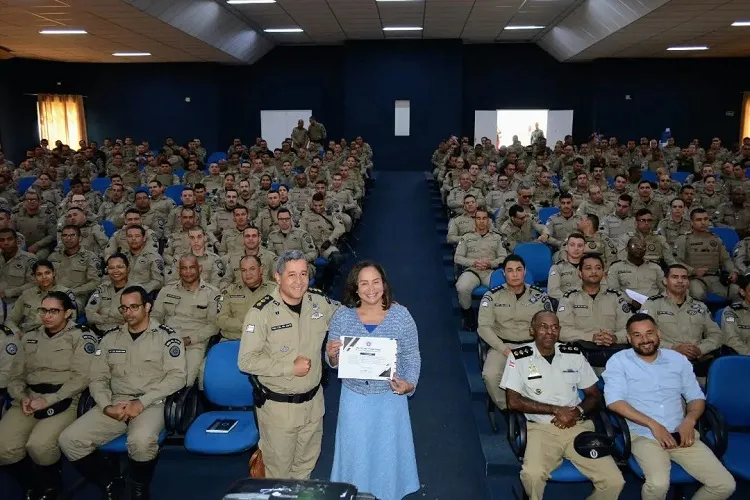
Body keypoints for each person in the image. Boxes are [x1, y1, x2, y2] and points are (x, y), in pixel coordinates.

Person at [59, 286, 187, 500]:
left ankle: (138, 486)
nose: (128, 312)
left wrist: (141, 402)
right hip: (115, 402)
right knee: (69, 440)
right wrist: (106, 406)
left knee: (141, 442)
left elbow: (177, 377)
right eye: (124, 308)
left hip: (151, 403)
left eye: (134, 307)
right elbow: (98, 378)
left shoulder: (167, 337)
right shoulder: (110, 339)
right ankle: (109, 481)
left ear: (147, 307)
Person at [603, 313, 736, 500]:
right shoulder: (619, 361)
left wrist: (689, 421)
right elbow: (614, 402)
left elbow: (696, 397)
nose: (645, 340)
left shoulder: (678, 360)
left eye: (649, 333)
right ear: (628, 338)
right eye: (637, 335)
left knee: (724, 484)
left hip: (682, 432)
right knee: (658, 484)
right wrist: (654, 425)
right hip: (644, 434)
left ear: (658, 334)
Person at [500, 311, 624, 500]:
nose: (550, 332)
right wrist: (556, 410)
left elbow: (594, 395)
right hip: (541, 429)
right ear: (532, 330)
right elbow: (513, 401)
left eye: (555, 327)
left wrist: (577, 411)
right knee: (532, 475)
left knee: (614, 481)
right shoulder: (519, 357)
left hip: (577, 426)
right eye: (543, 326)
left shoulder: (572, 354)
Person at [238, 250, 338, 479]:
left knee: (305, 470)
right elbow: (246, 361)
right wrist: (289, 368)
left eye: (303, 273)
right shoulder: (260, 313)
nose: (299, 281)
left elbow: (346, 315)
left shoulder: (318, 302)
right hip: (278, 410)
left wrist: (379, 308)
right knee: (277, 477)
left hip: (313, 405)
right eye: (291, 275)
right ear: (277, 277)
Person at [326, 261, 420, 500]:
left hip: (389, 399)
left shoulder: (401, 315)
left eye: (376, 282)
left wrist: (409, 383)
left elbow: (411, 355)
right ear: (355, 288)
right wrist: (331, 355)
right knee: (354, 454)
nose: (371, 289)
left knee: (387, 456)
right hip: (354, 397)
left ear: (384, 285)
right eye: (364, 283)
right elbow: (333, 362)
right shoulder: (342, 316)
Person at [0, 292, 96, 499]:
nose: (47, 315)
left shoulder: (81, 336)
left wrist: (48, 400)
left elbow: (81, 378)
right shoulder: (30, 337)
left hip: (64, 398)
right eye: (43, 310)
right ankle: (32, 484)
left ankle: (51, 485)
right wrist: (22, 397)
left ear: (68, 313)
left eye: (54, 311)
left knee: (40, 445)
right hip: (29, 397)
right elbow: (15, 377)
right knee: (3, 446)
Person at [478, 255, 552, 409]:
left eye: (519, 270)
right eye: (510, 271)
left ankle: (535, 408)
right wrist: (504, 350)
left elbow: (549, 325)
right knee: (490, 375)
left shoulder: (540, 296)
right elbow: (484, 327)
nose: (515, 274)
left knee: (545, 376)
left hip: (533, 347)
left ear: (525, 271)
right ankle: (509, 410)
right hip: (503, 346)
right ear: (504, 274)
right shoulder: (491, 296)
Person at [152, 254, 220, 386]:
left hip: (194, 344)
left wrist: (190, 339)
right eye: (184, 268)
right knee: (152, 377)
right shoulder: (166, 291)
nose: (188, 272)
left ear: (199, 268)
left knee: (184, 381)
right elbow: (155, 316)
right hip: (165, 341)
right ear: (179, 270)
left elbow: (214, 325)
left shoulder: (212, 293)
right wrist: (158, 336)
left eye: (192, 268)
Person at [639, 265, 723, 366]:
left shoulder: (700, 306)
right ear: (665, 281)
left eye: (684, 277)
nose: (680, 281)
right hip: (662, 362)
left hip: (697, 363)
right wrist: (674, 348)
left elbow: (716, 335)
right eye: (675, 277)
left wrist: (700, 349)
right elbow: (643, 335)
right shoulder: (652, 304)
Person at [454, 208, 508, 330]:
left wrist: (490, 263)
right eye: (478, 218)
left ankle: (498, 318)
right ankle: (468, 314)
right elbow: (457, 258)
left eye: (484, 218)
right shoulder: (466, 237)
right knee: (462, 287)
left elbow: (503, 257)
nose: (481, 221)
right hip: (473, 271)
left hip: (491, 271)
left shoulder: (497, 238)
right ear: (474, 220)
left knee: (502, 288)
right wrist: (474, 262)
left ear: (489, 220)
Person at [673, 208, 739, 302]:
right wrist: (694, 271)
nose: (703, 222)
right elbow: (677, 263)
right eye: (699, 220)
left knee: (737, 291)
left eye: (705, 219)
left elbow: (726, 259)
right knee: (698, 293)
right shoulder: (684, 240)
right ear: (691, 222)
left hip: (716, 279)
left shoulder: (716, 239)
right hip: (695, 279)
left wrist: (733, 271)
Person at [6, 259, 77, 336]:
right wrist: (18, 333)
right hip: (27, 336)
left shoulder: (65, 293)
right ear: (34, 277)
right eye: (39, 274)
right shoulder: (27, 294)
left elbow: (71, 320)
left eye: (47, 273)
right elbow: (11, 320)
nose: (44, 277)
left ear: (54, 273)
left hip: (55, 336)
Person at [217, 255, 276, 341]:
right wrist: (247, 325)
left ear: (261, 270)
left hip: (265, 341)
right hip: (234, 340)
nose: (248, 273)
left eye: (252, 269)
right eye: (244, 270)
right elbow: (220, 320)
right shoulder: (229, 291)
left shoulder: (274, 291)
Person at [606, 237, 665, 305]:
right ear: (627, 249)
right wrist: (631, 301)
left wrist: (655, 302)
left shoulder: (655, 267)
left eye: (643, 246)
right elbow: (613, 291)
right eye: (635, 245)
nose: (639, 248)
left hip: (653, 306)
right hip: (626, 306)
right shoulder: (616, 267)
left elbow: (664, 290)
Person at [85, 253, 131, 335]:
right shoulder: (102, 288)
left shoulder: (135, 290)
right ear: (107, 270)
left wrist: (101, 314)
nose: (115, 271)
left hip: (123, 333)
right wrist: (113, 319)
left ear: (128, 268)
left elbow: (133, 318)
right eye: (111, 268)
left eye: (120, 267)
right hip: (97, 332)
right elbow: (89, 313)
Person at [547, 233, 585, 301]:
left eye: (580, 245)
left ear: (584, 248)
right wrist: (570, 301)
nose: (576, 248)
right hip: (566, 306)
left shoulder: (590, 267)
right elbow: (552, 291)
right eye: (572, 245)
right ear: (566, 247)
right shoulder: (557, 268)